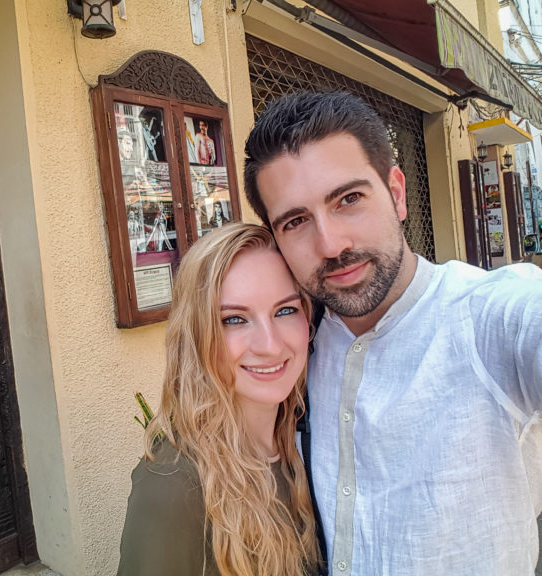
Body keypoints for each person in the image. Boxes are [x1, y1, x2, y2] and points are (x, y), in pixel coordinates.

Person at [243, 91, 542, 575]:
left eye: (349, 199)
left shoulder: (484, 317)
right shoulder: (296, 343)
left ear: (398, 193)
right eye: (296, 221)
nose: (331, 244)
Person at [117, 223, 323, 576]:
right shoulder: (173, 484)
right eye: (234, 319)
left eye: (285, 310)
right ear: (196, 336)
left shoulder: (307, 440)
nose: (270, 345)